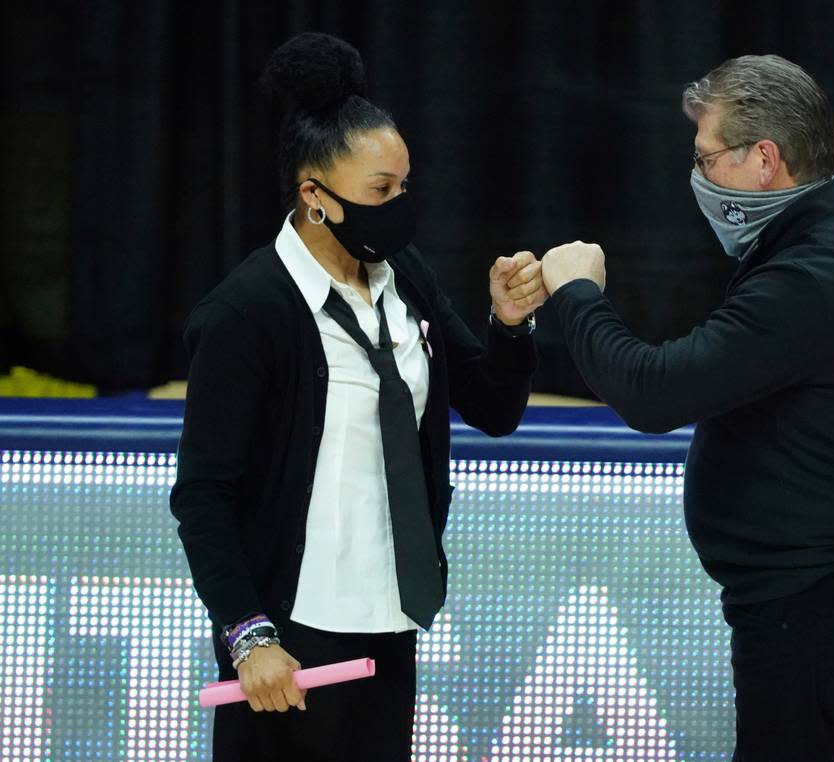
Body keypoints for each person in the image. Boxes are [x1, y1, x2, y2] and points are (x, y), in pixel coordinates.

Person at [540, 54, 834, 761]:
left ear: (766, 159)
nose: (698, 177)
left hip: (819, 599)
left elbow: (653, 392)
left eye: (709, 159)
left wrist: (577, 294)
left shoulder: (814, 276)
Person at [169, 33, 546, 761]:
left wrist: (508, 324)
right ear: (314, 195)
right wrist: (249, 636)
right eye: (380, 191)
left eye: (404, 186)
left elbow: (495, 410)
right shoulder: (246, 314)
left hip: (390, 618)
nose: (400, 205)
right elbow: (203, 496)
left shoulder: (405, 276)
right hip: (289, 634)